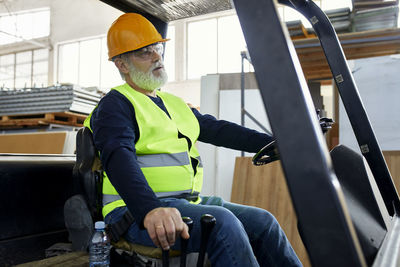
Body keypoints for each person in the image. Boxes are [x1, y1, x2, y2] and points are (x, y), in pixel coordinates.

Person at [84, 13, 302, 267]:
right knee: (223, 223)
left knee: (264, 222)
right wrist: (149, 209)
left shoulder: (172, 103)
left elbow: (219, 130)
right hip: (133, 212)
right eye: (145, 53)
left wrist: (279, 143)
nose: (157, 56)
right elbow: (117, 157)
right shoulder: (115, 105)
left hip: (185, 203)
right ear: (122, 65)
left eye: (157, 48)